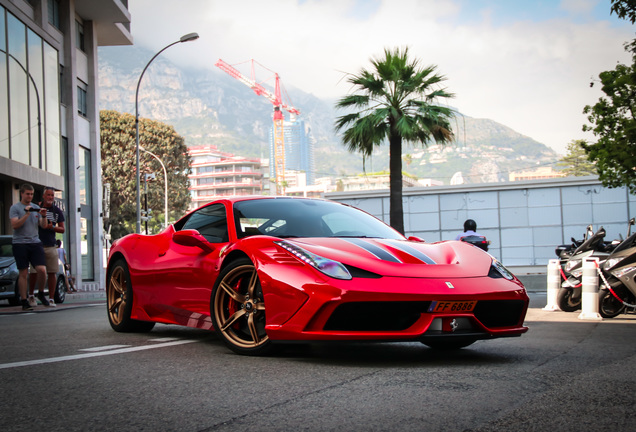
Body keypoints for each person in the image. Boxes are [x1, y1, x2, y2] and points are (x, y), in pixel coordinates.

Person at [9, 183, 49, 310]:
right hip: (20, 243)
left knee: (42, 270)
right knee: (23, 272)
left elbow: (43, 226)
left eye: (31, 194)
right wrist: (26, 214)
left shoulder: (36, 207)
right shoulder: (15, 208)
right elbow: (15, 225)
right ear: (22, 194)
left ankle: (41, 293)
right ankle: (24, 300)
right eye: (27, 194)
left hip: (35, 242)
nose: (29, 196)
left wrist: (43, 216)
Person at [28, 186, 65, 307]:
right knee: (34, 272)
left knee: (52, 272)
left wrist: (52, 227)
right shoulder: (36, 208)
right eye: (48, 195)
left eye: (52, 196)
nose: (50, 197)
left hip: (51, 245)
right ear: (43, 196)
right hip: (36, 244)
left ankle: (51, 298)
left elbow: (62, 229)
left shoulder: (57, 211)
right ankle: (31, 296)